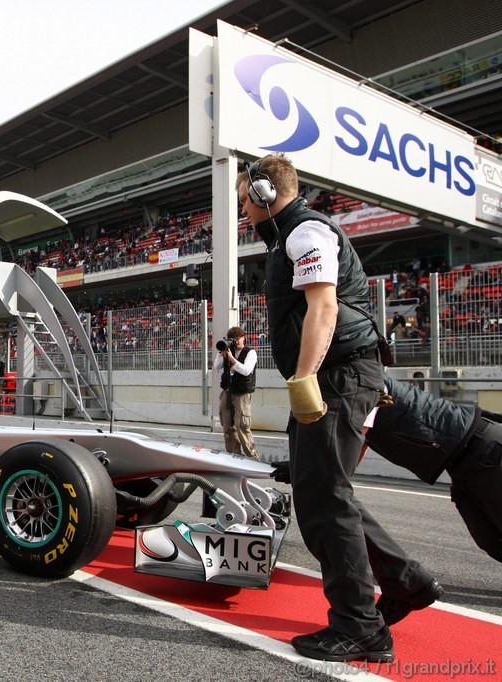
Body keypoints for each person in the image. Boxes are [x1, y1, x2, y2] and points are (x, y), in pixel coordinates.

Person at [238, 154, 438, 663]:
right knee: (323, 490)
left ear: (265, 193)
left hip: (337, 375)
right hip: (337, 373)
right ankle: (406, 581)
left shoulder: (305, 232)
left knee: (325, 497)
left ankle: (360, 627)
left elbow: (323, 308)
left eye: (245, 197)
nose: (242, 207)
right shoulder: (289, 236)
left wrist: (304, 378)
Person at [364, 377, 501, 563]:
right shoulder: (359, 391)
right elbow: (359, 440)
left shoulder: (364, 384)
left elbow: (354, 436)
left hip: (484, 449)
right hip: (460, 463)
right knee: (489, 539)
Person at [212, 326, 260, 459]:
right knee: (227, 427)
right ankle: (234, 457)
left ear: (244, 337)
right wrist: (221, 353)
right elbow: (216, 366)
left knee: (242, 426)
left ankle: (253, 458)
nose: (235, 341)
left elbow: (246, 370)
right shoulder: (228, 351)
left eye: (237, 338)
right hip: (227, 391)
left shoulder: (250, 352)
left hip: (242, 393)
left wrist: (232, 359)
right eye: (232, 339)